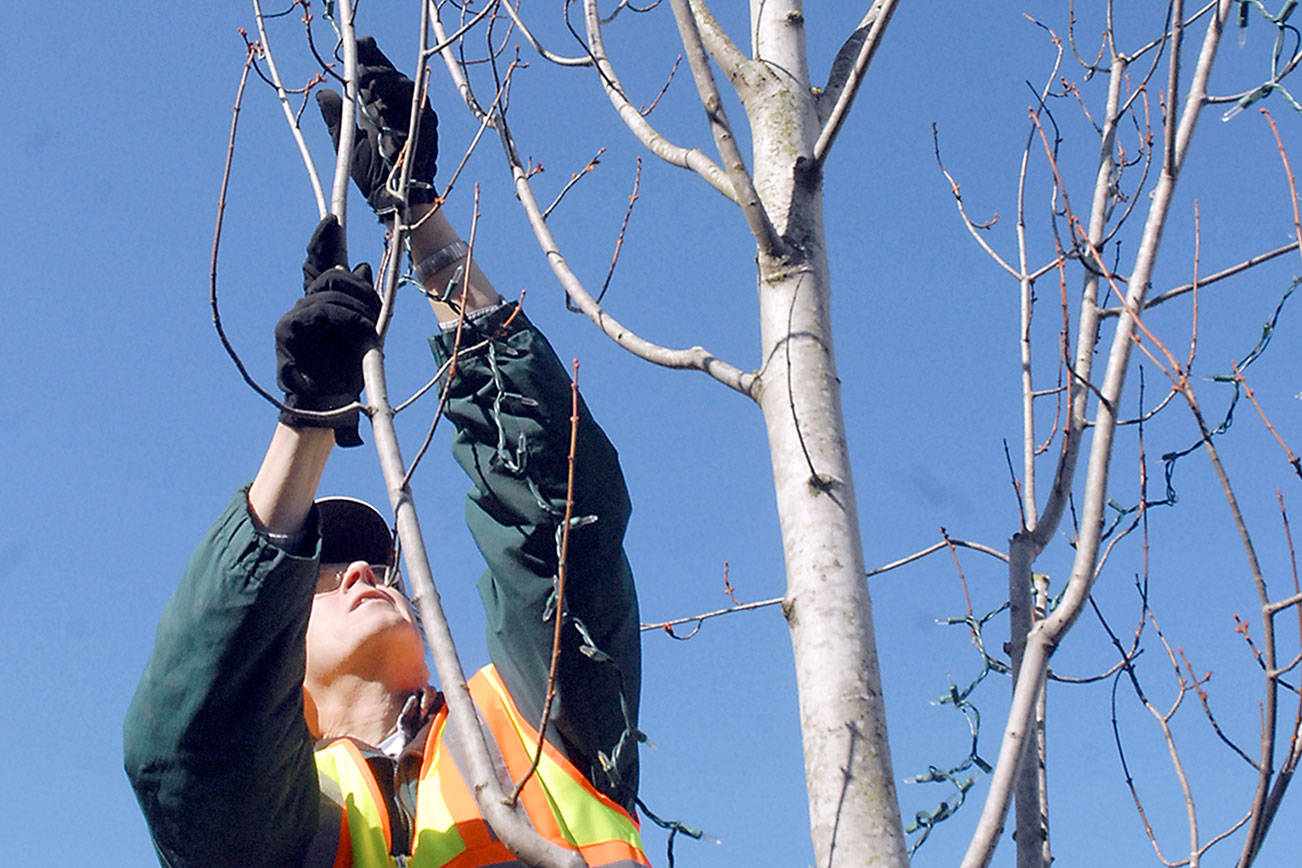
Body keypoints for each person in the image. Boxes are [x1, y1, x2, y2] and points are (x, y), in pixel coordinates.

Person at [124, 37, 648, 868]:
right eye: (326, 580)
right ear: (281, 687)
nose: (366, 572)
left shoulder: (541, 734)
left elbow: (556, 518)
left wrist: (423, 223)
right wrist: (308, 421)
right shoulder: (280, 827)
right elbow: (189, 741)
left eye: (374, 565)